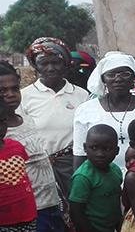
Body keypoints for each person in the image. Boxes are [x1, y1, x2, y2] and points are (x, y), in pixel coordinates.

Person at [1, 63, 65, 232]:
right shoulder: (1, 132)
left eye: (14, 88)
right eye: (2, 90)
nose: (9, 94)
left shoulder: (26, 119)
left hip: (51, 204)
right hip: (25, 215)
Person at [20, 37, 90, 196]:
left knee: (76, 207)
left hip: (73, 164)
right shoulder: (24, 96)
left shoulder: (80, 94)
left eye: (56, 62)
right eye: (44, 63)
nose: (50, 68)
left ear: (65, 64)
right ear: (36, 66)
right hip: (37, 165)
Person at [73, 52, 135, 172]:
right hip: (101, 181)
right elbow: (80, 154)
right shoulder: (85, 110)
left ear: (133, 77)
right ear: (103, 79)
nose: (118, 79)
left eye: (125, 74)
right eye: (111, 74)